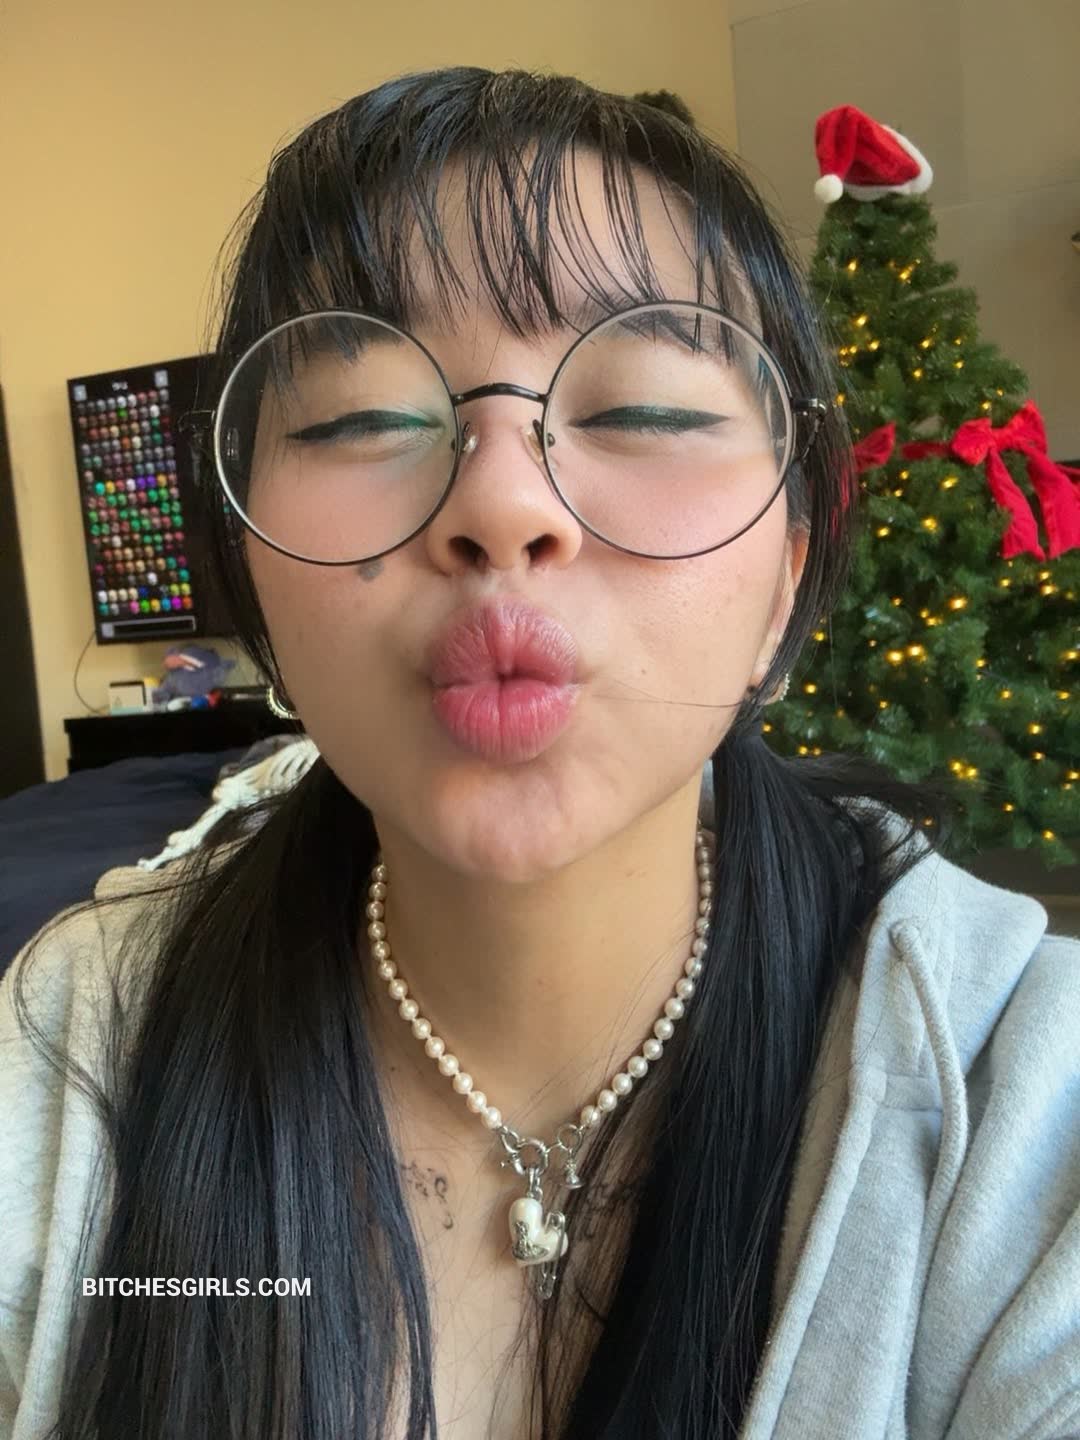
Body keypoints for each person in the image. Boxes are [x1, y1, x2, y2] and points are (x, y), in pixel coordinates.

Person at [1, 66, 1077, 1440]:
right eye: (361, 418)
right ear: (250, 564)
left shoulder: (1023, 1092)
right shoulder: (74, 1045)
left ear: (787, 579)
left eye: (644, 411)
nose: (503, 503)